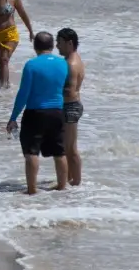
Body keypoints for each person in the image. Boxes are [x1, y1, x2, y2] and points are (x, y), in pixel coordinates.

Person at [7, 31, 69, 195]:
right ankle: (62, 187)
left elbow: (23, 94)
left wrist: (13, 117)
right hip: (57, 112)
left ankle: (32, 189)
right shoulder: (63, 64)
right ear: (52, 45)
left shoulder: (31, 65)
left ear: (35, 46)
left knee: (31, 152)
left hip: (36, 112)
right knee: (59, 151)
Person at [56, 28, 84, 187]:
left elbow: (69, 91)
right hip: (70, 106)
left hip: (70, 107)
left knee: (70, 149)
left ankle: (76, 182)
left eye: (59, 42)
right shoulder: (74, 59)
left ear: (69, 43)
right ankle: (70, 179)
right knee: (67, 147)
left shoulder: (70, 64)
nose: (57, 46)